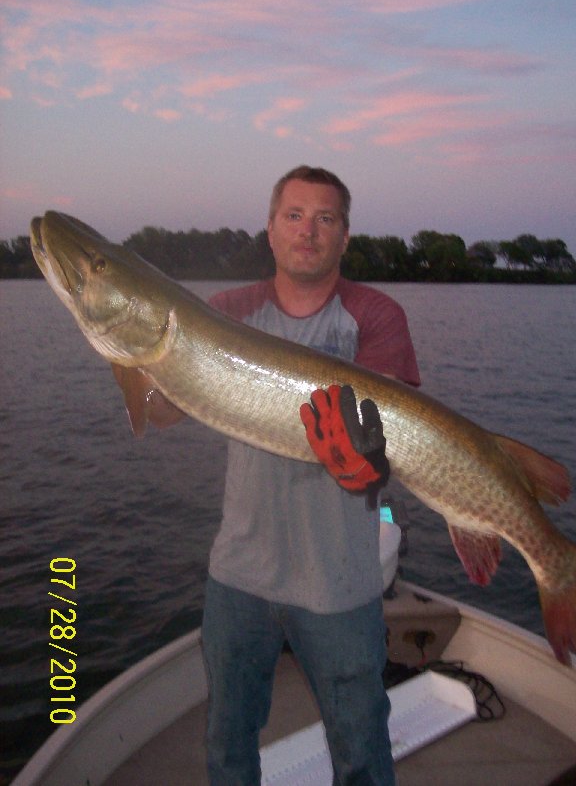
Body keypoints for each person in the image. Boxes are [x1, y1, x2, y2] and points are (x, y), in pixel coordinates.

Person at [200, 165, 421, 785]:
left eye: (325, 218)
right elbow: (162, 408)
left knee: (361, 753)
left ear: (345, 236)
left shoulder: (375, 314)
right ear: (269, 230)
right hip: (239, 574)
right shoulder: (226, 311)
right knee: (227, 743)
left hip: (341, 581)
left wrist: (365, 466)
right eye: (293, 215)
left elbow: (387, 439)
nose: (308, 230)